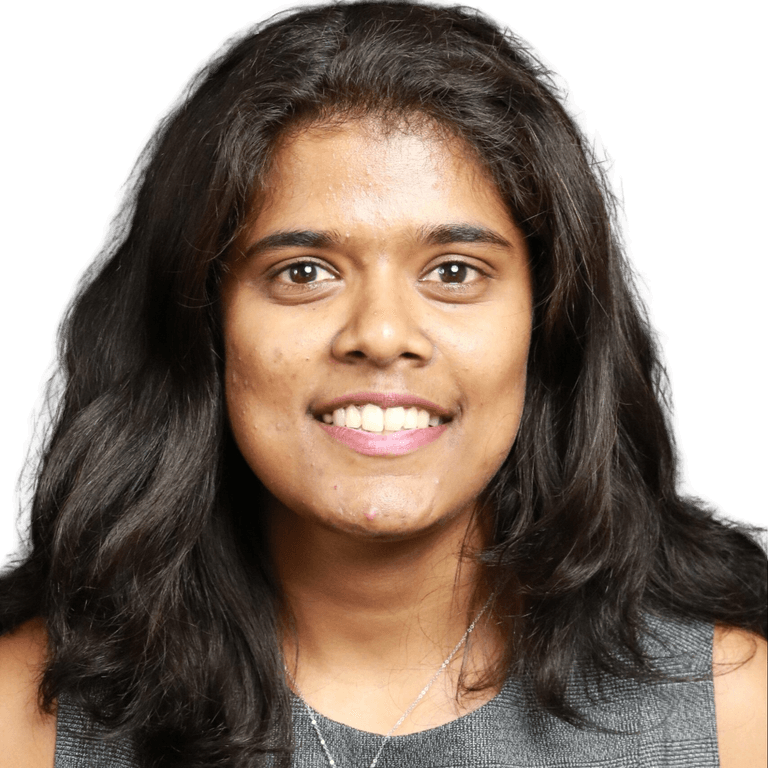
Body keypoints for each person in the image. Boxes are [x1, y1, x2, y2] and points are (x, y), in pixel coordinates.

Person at [0, 2, 765, 767]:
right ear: (202, 326)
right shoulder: (26, 718)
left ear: (549, 324)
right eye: (304, 272)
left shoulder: (735, 712)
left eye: (454, 272)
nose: (383, 334)